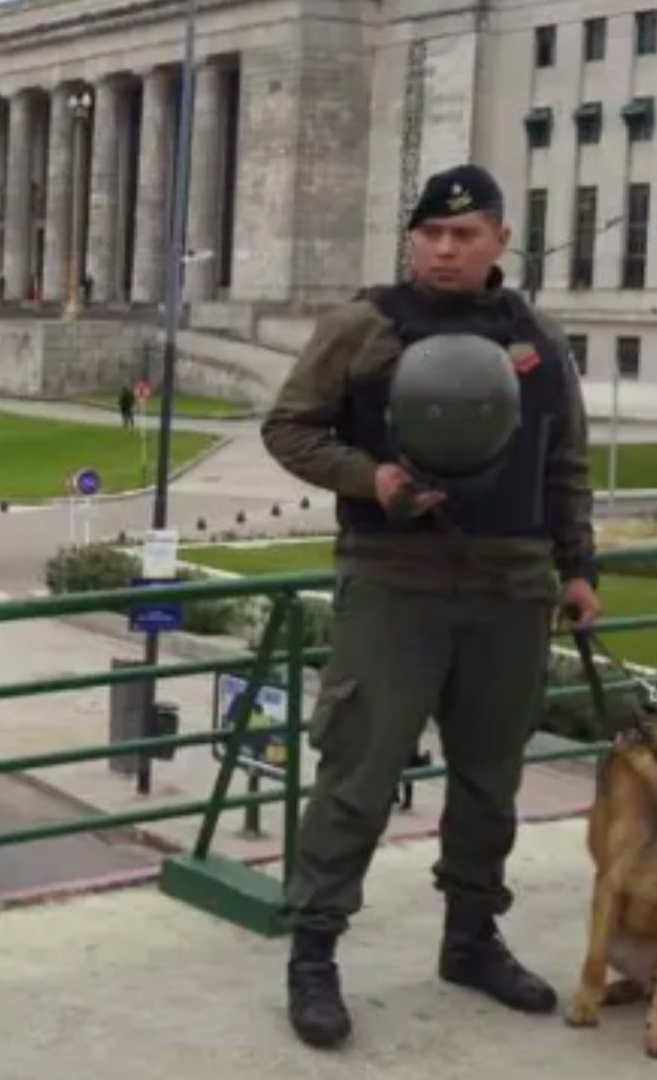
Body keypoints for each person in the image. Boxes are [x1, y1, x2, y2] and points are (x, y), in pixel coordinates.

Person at [260, 163, 599, 1050]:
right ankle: (315, 953)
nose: (445, 249)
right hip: (394, 583)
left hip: (512, 588)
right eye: (431, 234)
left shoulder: (536, 337)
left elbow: (564, 459)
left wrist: (577, 568)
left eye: (465, 235)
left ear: (498, 243)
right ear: (412, 238)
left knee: (490, 783)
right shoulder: (364, 328)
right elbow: (290, 427)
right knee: (358, 777)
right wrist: (367, 477)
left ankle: (470, 938)